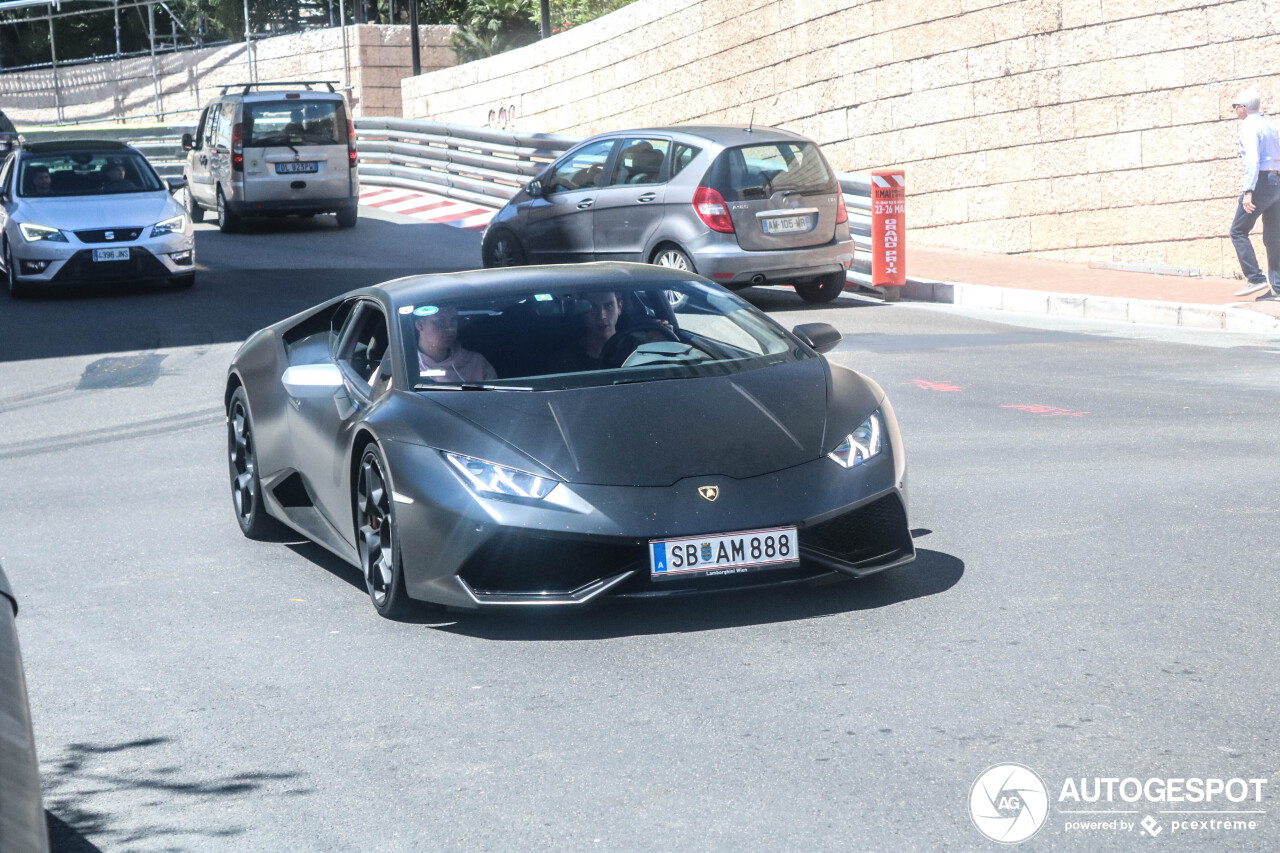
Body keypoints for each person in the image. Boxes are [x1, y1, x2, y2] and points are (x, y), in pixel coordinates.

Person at [1228, 88, 1280, 299]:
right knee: (1273, 237)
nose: (1235, 111)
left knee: (1238, 231)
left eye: (1235, 107)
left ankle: (1255, 277)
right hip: (1277, 182)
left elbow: (1252, 160)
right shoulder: (1269, 126)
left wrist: (1248, 190)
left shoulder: (1249, 126)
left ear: (1243, 108)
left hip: (1262, 183)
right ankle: (1277, 287)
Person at [414, 306, 496, 383]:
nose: (450, 329)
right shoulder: (406, 366)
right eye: (440, 321)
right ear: (420, 325)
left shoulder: (476, 363)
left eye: (453, 320)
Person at [548, 291, 622, 373]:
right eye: (592, 307)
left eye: (609, 306)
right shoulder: (565, 360)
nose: (602, 316)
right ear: (581, 311)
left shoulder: (635, 349)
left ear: (619, 307)